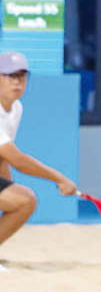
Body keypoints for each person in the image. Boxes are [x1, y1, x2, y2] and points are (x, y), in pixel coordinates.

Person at [0, 51, 77, 255]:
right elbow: (19, 161)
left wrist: (8, 188)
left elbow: (4, 158)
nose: (17, 82)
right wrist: (60, 179)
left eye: (22, 76)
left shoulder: (16, 108)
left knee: (23, 201)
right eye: (10, 76)